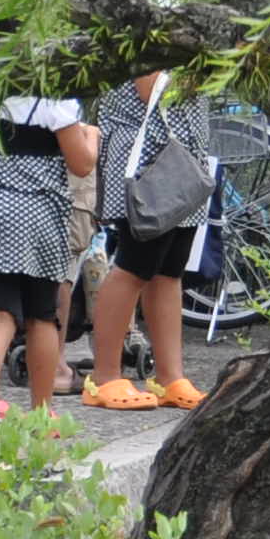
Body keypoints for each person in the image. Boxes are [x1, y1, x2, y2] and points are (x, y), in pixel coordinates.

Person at [0, 91, 96, 410]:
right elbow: (81, 164)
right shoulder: (55, 101)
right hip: (39, 218)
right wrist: (91, 137)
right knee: (42, 316)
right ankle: (42, 412)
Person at [84, 71, 217, 409]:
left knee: (170, 270)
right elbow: (150, 87)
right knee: (134, 266)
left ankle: (170, 377)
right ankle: (103, 377)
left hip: (183, 160)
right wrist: (216, 68)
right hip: (148, 159)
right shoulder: (154, 39)